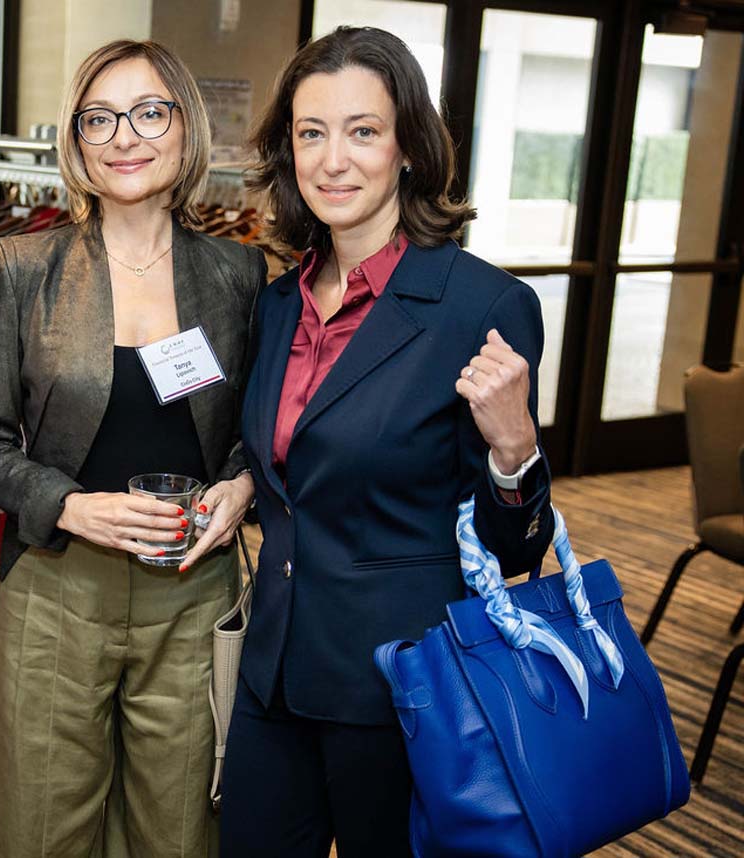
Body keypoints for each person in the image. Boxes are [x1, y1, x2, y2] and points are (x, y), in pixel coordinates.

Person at [219, 26, 555, 856]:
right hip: (276, 672)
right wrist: (242, 486)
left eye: (362, 131)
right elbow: (297, 467)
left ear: (408, 146)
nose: (333, 160)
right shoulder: (277, 303)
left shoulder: (483, 307)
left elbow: (516, 549)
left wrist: (514, 449)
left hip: (407, 688)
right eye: (311, 133)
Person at [0, 39, 267, 858]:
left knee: (179, 830)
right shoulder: (21, 266)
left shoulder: (239, 273)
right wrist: (70, 504)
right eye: (98, 118)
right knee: (40, 829)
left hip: (193, 590)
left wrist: (240, 487)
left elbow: (259, 434)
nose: (123, 136)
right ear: (76, 140)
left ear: (184, 128)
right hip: (58, 591)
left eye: (147, 112)